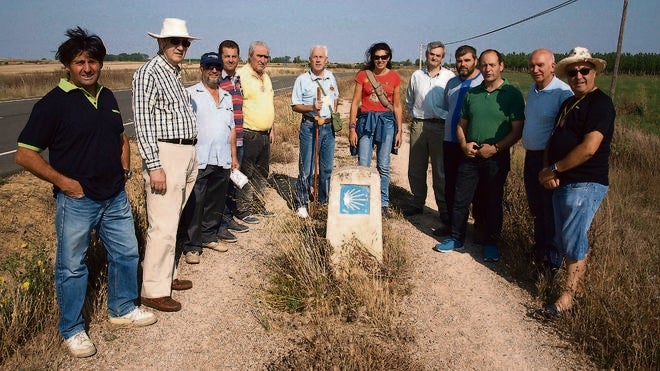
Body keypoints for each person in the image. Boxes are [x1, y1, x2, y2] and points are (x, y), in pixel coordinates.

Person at [15, 27, 156, 358]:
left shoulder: (106, 96)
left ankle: (122, 309)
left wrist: (124, 171)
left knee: (126, 254)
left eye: (93, 61)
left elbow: (121, 138)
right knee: (72, 266)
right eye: (79, 62)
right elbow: (25, 154)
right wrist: (64, 183)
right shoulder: (53, 104)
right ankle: (72, 329)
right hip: (77, 200)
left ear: (101, 64)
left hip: (114, 196)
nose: (87, 68)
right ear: (67, 65)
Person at [536, 47, 614, 318]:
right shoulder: (568, 104)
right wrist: (549, 169)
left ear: (594, 73)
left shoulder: (600, 104)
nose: (578, 76)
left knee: (572, 237)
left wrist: (555, 168)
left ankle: (568, 298)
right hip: (562, 181)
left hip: (585, 182)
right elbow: (553, 139)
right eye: (573, 72)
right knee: (563, 237)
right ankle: (576, 291)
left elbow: (590, 147)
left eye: (584, 70)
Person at [133, 18, 198, 312]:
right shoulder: (149, 73)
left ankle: (166, 276)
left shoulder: (173, 73)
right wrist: (154, 164)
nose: (180, 47)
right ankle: (153, 289)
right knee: (162, 223)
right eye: (174, 41)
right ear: (160, 42)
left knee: (173, 219)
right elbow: (143, 123)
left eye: (184, 42)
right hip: (166, 154)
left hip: (185, 152)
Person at [434, 49, 525, 262]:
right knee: (460, 198)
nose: (488, 69)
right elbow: (461, 124)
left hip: (496, 156)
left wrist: (495, 148)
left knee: (491, 200)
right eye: (484, 65)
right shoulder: (472, 93)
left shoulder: (511, 94)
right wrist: (464, 144)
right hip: (471, 155)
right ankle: (456, 238)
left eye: (492, 65)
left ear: (501, 66)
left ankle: (490, 242)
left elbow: (517, 130)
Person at [180, 52, 239, 265]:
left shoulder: (226, 96)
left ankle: (209, 237)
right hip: (200, 158)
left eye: (217, 67)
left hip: (222, 159)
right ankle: (192, 246)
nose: (214, 70)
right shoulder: (190, 94)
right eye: (209, 67)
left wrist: (233, 156)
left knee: (216, 202)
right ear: (201, 69)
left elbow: (231, 128)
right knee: (195, 204)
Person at [523, 49, 573, 274]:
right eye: (532, 65)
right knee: (536, 207)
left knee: (550, 210)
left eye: (541, 65)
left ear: (553, 66)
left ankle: (552, 262)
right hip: (531, 157)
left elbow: (565, 133)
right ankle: (539, 249)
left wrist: (554, 168)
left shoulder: (563, 93)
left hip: (549, 161)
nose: (536, 69)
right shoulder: (532, 90)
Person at [348, 42, 403, 218]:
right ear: (372, 57)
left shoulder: (394, 77)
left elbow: (397, 105)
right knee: (363, 164)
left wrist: (400, 130)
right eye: (377, 57)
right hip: (365, 121)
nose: (380, 60)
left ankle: (383, 203)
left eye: (384, 57)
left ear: (389, 58)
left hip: (386, 123)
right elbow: (355, 102)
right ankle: (363, 201)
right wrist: (352, 128)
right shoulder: (363, 75)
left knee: (383, 165)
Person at [403, 41, 455, 220]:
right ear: (426, 55)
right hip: (419, 124)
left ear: (442, 57)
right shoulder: (417, 75)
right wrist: (415, 116)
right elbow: (409, 100)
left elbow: (453, 102)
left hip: (440, 126)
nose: (434, 58)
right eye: (432, 54)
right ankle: (417, 203)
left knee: (440, 171)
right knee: (416, 168)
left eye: (438, 55)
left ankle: (444, 209)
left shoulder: (449, 76)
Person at [440, 45, 484, 238]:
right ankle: (452, 225)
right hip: (450, 140)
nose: (462, 64)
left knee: (476, 189)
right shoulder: (451, 83)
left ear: (475, 60)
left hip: (472, 143)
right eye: (459, 60)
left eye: (467, 60)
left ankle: (480, 229)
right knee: (450, 185)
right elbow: (447, 107)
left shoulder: (483, 81)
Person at [291, 45, 339, 218]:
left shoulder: (331, 77)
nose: (318, 60)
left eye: (321, 57)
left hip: (328, 127)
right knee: (307, 168)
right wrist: (312, 107)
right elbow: (295, 106)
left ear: (326, 60)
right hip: (310, 126)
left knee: (326, 169)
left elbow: (336, 98)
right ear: (310, 59)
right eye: (315, 57)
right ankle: (301, 202)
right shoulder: (302, 80)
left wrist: (333, 116)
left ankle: (323, 200)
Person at [235, 41, 276, 221]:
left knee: (261, 173)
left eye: (266, 56)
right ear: (250, 56)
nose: (263, 59)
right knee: (245, 174)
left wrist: (271, 128)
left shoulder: (265, 77)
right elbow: (235, 106)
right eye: (259, 56)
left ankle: (258, 205)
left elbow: (269, 104)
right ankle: (243, 210)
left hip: (265, 135)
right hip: (248, 134)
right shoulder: (241, 76)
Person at [216, 40, 253, 238]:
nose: (230, 60)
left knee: (231, 182)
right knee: (222, 183)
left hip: (238, 138)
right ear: (220, 57)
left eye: (234, 56)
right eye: (226, 56)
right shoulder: (217, 80)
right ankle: (220, 223)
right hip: (224, 142)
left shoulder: (237, 79)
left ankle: (229, 217)